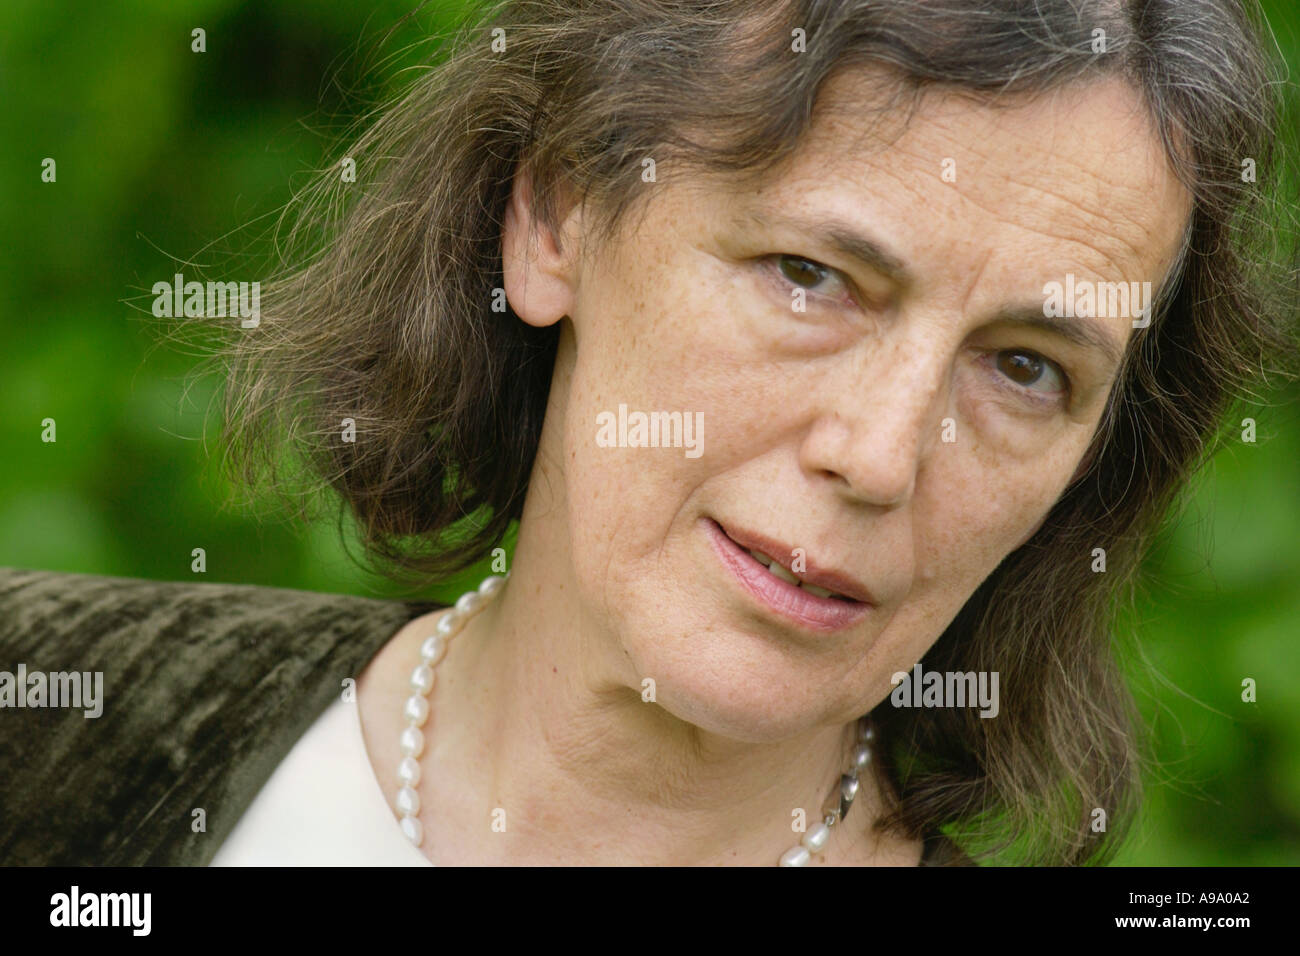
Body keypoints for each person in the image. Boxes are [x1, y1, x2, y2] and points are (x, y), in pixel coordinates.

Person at [1, 0, 1294, 866]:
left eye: (1024, 367)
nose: (882, 454)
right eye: (810, 277)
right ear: (554, 217)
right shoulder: (54, 726)